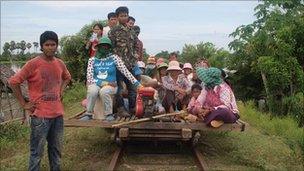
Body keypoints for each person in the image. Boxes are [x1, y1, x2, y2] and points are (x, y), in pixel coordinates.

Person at [8, 31, 71, 171]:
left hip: (58, 115)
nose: (50, 47)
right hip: (40, 116)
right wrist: (24, 104)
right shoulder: (33, 64)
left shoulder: (60, 63)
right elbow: (14, 82)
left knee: (56, 150)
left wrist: (61, 90)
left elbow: (67, 77)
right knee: (37, 152)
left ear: (57, 46)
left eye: (53, 44)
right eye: (47, 45)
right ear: (42, 46)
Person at [83, 37, 142, 121]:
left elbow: (126, 72)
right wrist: (104, 83)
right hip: (97, 83)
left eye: (106, 46)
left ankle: (109, 114)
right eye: (102, 46)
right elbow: (89, 78)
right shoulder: (92, 60)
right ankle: (88, 113)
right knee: (92, 91)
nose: (104, 48)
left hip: (112, 85)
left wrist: (137, 84)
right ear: (98, 47)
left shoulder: (114, 58)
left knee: (104, 91)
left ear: (109, 48)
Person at [108, 6, 139, 116]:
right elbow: (109, 48)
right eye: (121, 16)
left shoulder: (132, 31)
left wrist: (135, 55)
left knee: (132, 88)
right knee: (119, 88)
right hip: (118, 66)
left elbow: (136, 44)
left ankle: (132, 108)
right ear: (117, 17)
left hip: (130, 65)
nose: (124, 17)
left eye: (125, 15)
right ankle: (121, 109)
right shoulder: (113, 31)